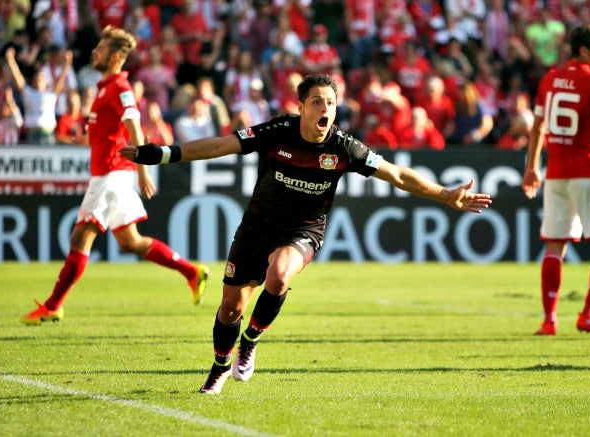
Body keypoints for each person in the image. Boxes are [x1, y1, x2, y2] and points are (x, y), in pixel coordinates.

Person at [120, 74, 492, 394]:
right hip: (257, 227)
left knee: (279, 276)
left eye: (330, 102)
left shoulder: (345, 148)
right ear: (301, 107)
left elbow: (396, 174)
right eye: (317, 102)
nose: (325, 109)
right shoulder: (277, 131)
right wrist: (163, 155)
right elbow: (220, 145)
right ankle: (219, 367)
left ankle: (250, 341)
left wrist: (444, 195)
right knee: (231, 306)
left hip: (303, 230)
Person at [19, 26, 210, 325]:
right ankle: (192, 272)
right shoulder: (105, 88)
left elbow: (136, 128)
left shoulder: (120, 88)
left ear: (116, 55)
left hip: (110, 175)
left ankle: (53, 305)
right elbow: (107, 134)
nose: (95, 51)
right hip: (112, 174)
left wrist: (143, 169)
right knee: (130, 242)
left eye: (101, 48)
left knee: (80, 238)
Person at [521, 24, 590, 336]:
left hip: (556, 174)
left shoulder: (549, 78)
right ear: (584, 51)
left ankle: (549, 321)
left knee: (554, 246)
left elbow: (537, 127)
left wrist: (532, 167)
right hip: (588, 171)